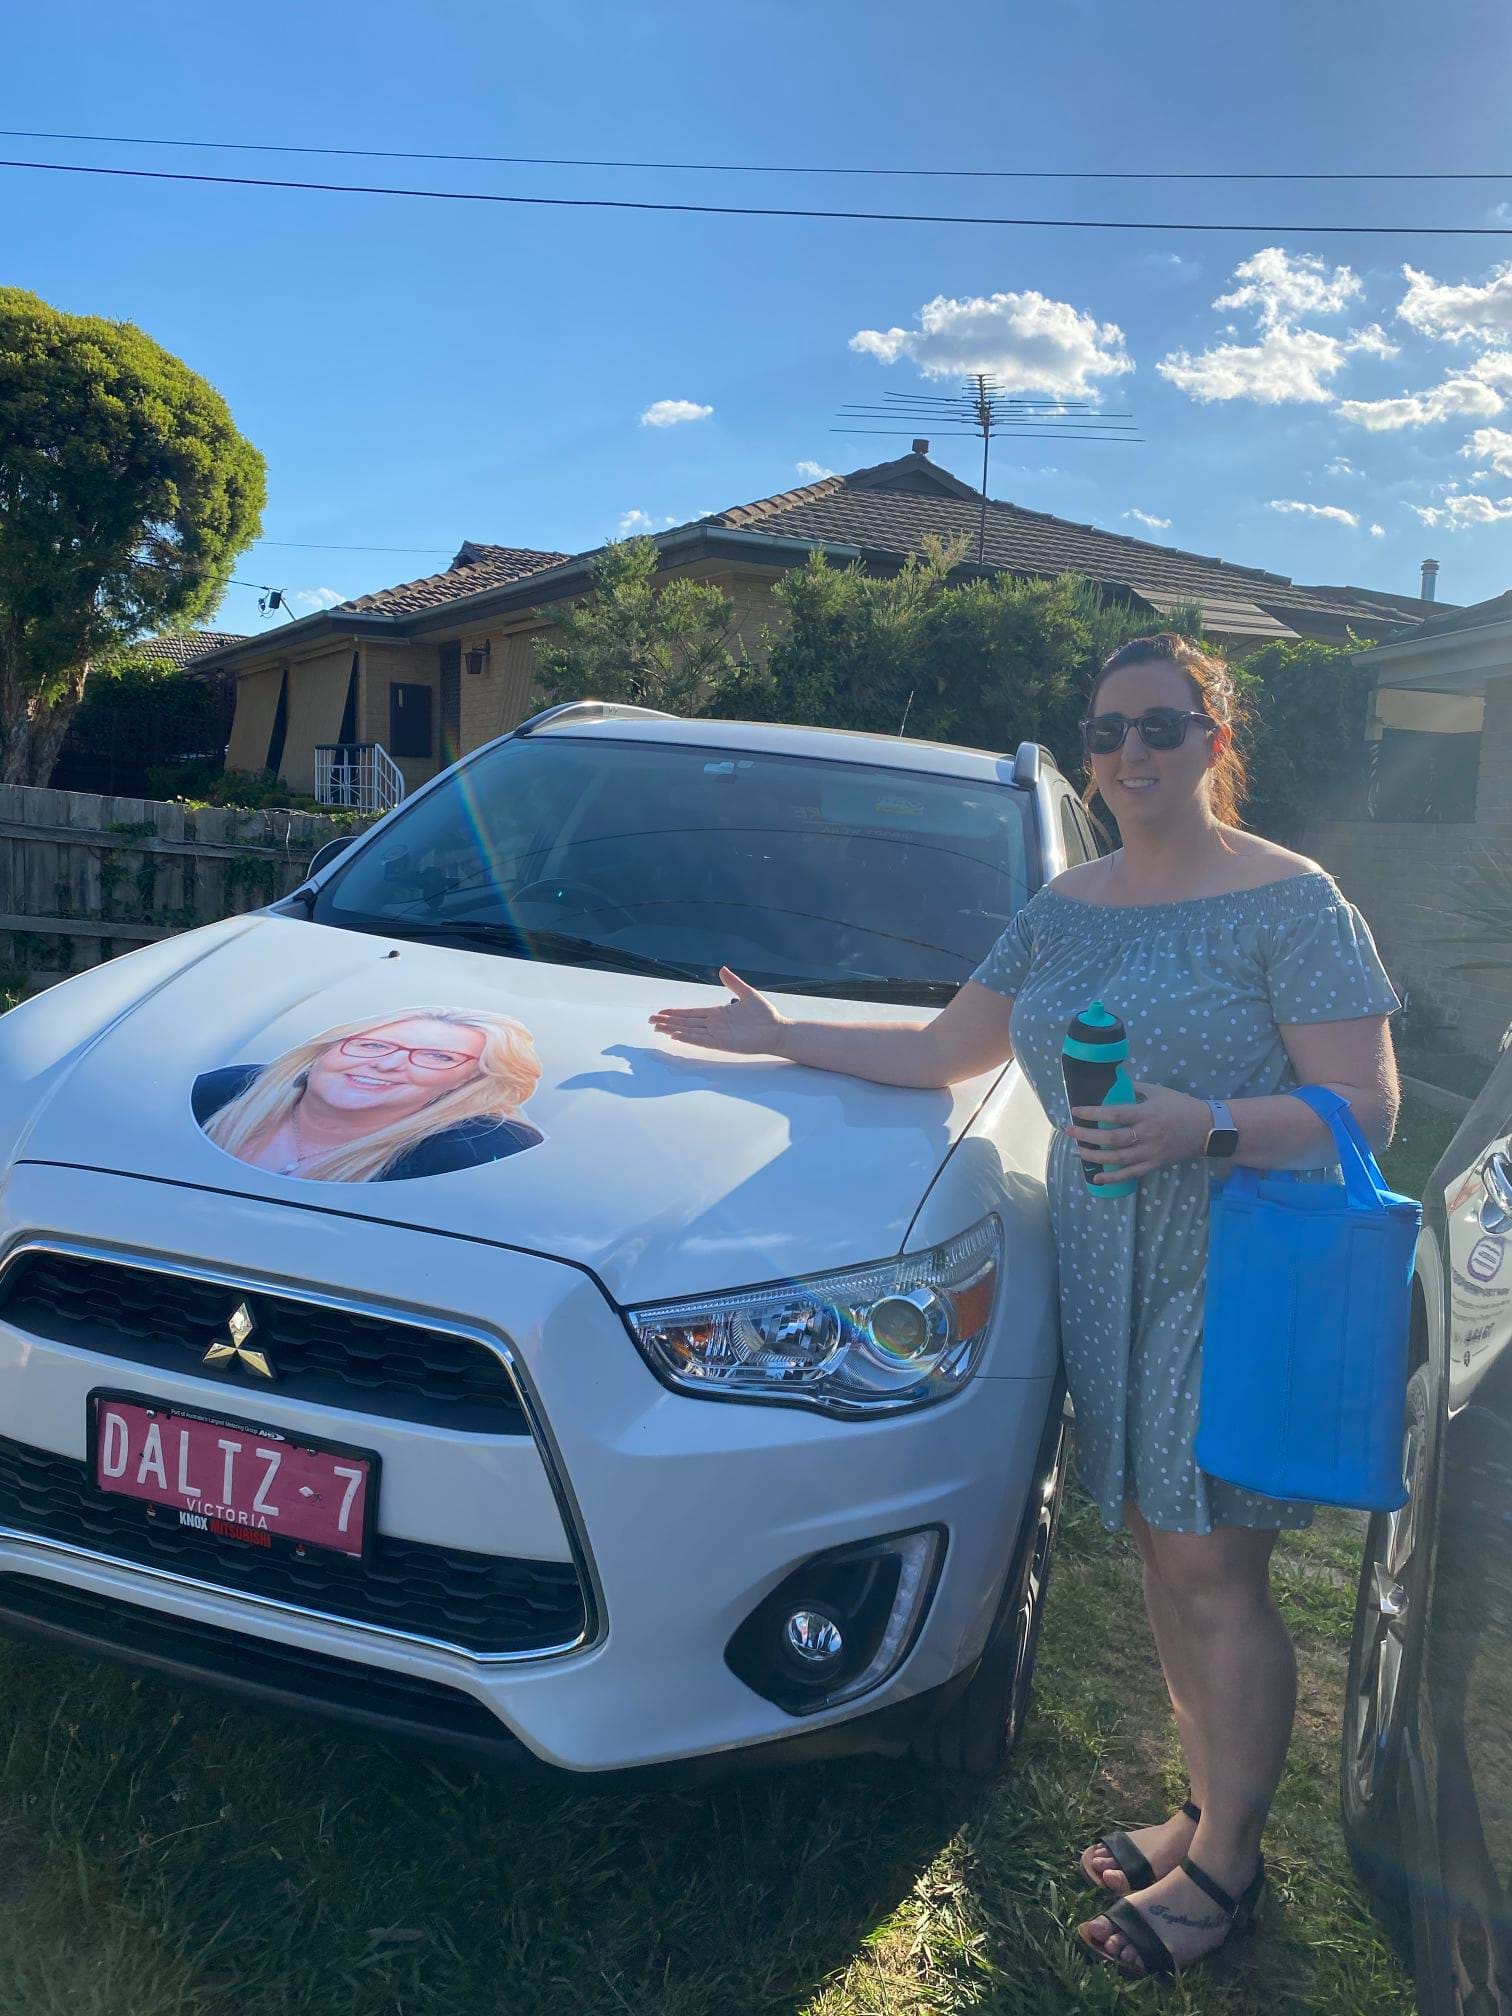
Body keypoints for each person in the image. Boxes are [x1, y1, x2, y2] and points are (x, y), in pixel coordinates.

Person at [648, 634, 1399, 1980]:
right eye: (1109, 731)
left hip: (1232, 1266)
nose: (1132, 755)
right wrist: (785, 1037)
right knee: (1162, 1551)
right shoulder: (1065, 905)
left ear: (1215, 743)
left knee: (1216, 1567)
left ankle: (1229, 1868)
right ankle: (1201, 1809)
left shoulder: (1294, 901)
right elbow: (950, 1047)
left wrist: (1207, 1125)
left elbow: (1369, 1107)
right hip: (1101, 1264)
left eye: (1163, 728)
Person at [193, 1007, 544, 1183]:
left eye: (437, 1057)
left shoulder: (469, 1154)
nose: (387, 1063)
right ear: (323, 1051)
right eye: (371, 1045)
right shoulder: (223, 1093)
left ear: (468, 1082)